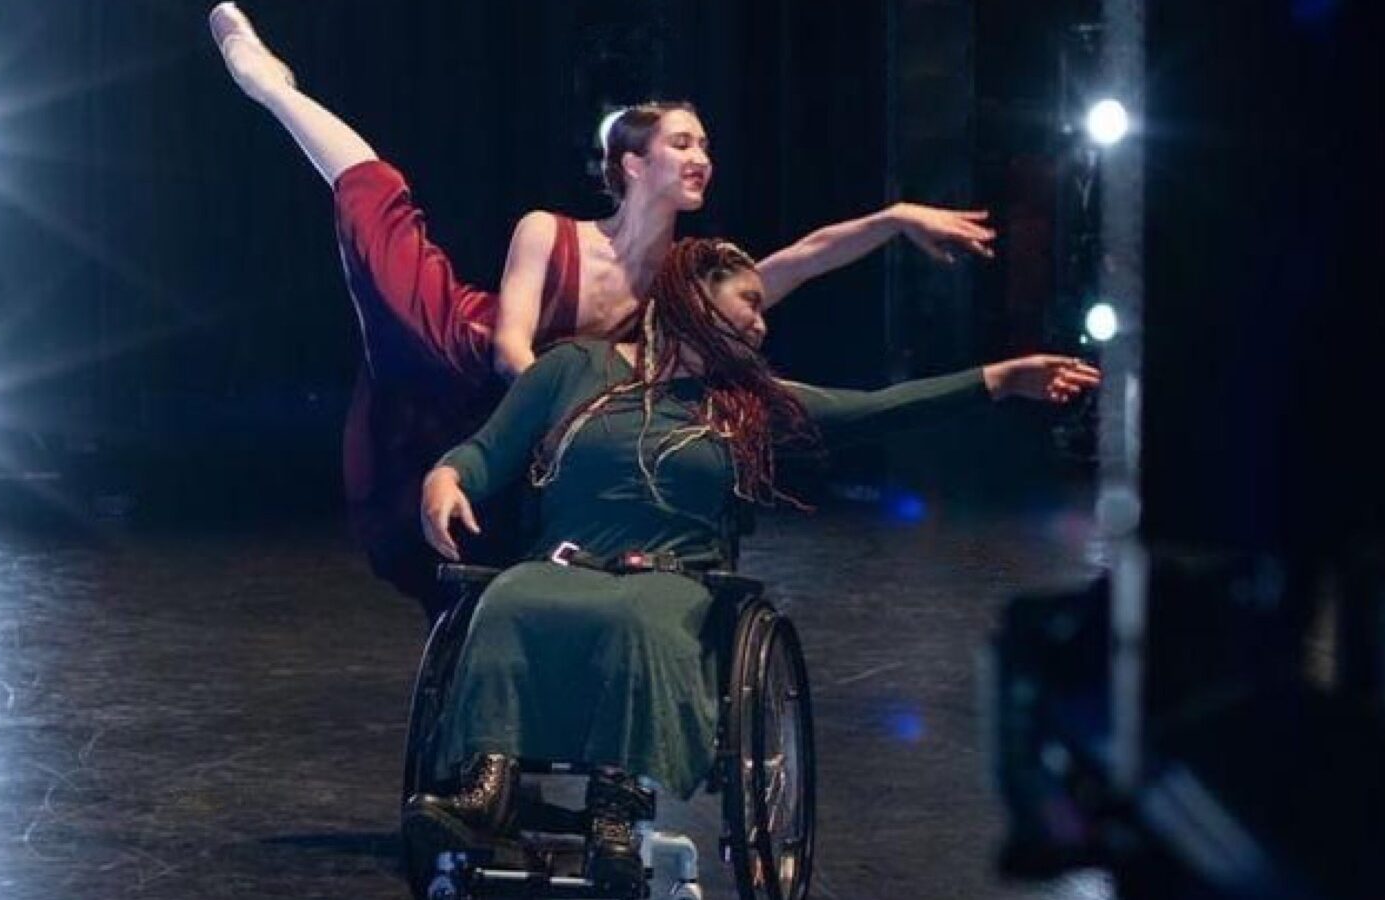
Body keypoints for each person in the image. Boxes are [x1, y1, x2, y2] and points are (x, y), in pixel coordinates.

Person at [209, 3, 1000, 615]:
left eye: (706, 146)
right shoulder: (548, 233)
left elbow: (798, 260)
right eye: (684, 144)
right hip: (470, 352)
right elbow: (514, 347)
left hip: (558, 424)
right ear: (632, 162)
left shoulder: (689, 282)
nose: (702, 158)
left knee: (488, 575)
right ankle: (272, 87)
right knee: (380, 208)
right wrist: (558, 423)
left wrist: (896, 218)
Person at [409, 238, 1100, 889]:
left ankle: (615, 807)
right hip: (564, 564)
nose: (762, 326)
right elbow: (486, 449)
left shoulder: (748, 407)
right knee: (508, 599)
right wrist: (447, 480)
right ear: (695, 299)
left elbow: (878, 409)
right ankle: (486, 788)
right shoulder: (573, 368)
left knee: (641, 620)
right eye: (750, 303)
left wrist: (999, 379)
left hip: (673, 578)